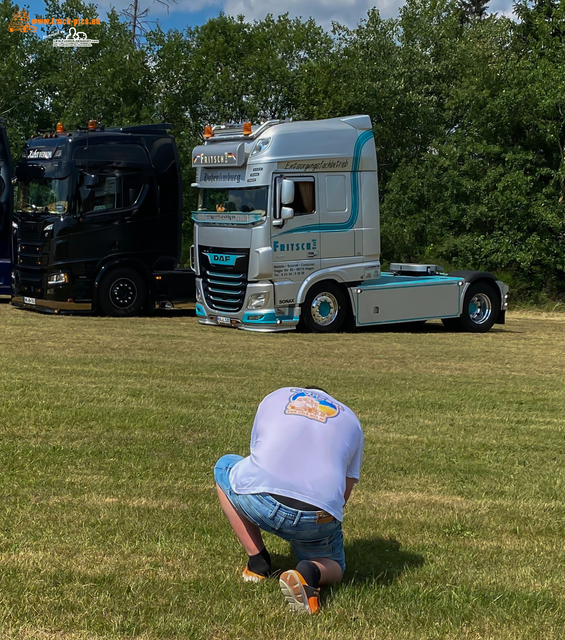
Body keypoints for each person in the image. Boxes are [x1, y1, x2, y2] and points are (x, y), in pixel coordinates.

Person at [214, 386, 364, 614]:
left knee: (225, 465)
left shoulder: (276, 396)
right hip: (316, 517)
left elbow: (256, 454)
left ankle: (258, 562)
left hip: (260, 499)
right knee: (336, 567)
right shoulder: (351, 420)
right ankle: (310, 572)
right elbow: (343, 495)